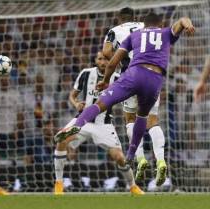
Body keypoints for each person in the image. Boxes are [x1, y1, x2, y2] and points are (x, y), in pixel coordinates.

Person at [54, 13, 194, 187]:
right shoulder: (165, 33)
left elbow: (111, 60)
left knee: (104, 106)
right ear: (160, 24)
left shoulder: (133, 36)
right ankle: (155, 159)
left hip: (133, 74)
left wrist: (105, 80)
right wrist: (187, 24)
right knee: (147, 119)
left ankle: (79, 125)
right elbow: (181, 21)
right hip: (155, 79)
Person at [53, 52, 144, 195]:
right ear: (95, 60)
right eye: (100, 59)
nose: (102, 62)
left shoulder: (117, 78)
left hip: (104, 124)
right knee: (61, 141)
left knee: (120, 158)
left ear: (112, 61)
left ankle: (133, 186)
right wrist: (76, 103)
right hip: (82, 120)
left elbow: (127, 98)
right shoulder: (86, 73)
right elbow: (72, 95)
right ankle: (59, 183)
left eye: (106, 59)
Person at [103, 7, 167, 185]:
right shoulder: (146, 27)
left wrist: (122, 57)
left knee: (130, 119)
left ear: (119, 18)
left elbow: (107, 52)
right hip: (152, 76)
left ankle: (141, 159)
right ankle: (161, 160)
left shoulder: (114, 31)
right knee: (152, 120)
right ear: (135, 18)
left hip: (131, 76)